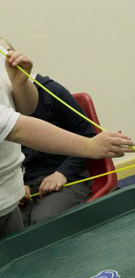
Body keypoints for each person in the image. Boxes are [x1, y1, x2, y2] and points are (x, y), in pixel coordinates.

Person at [0, 38, 135, 238]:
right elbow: (17, 128)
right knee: (24, 239)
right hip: (20, 188)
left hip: (61, 180)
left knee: (41, 227)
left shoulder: (48, 89)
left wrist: (62, 173)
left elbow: (26, 112)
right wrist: (19, 184)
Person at [19, 74, 96, 227]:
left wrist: (62, 173)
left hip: (66, 178)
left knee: (42, 224)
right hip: (21, 186)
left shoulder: (51, 91)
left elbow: (88, 137)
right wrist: (14, 185)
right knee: (14, 230)